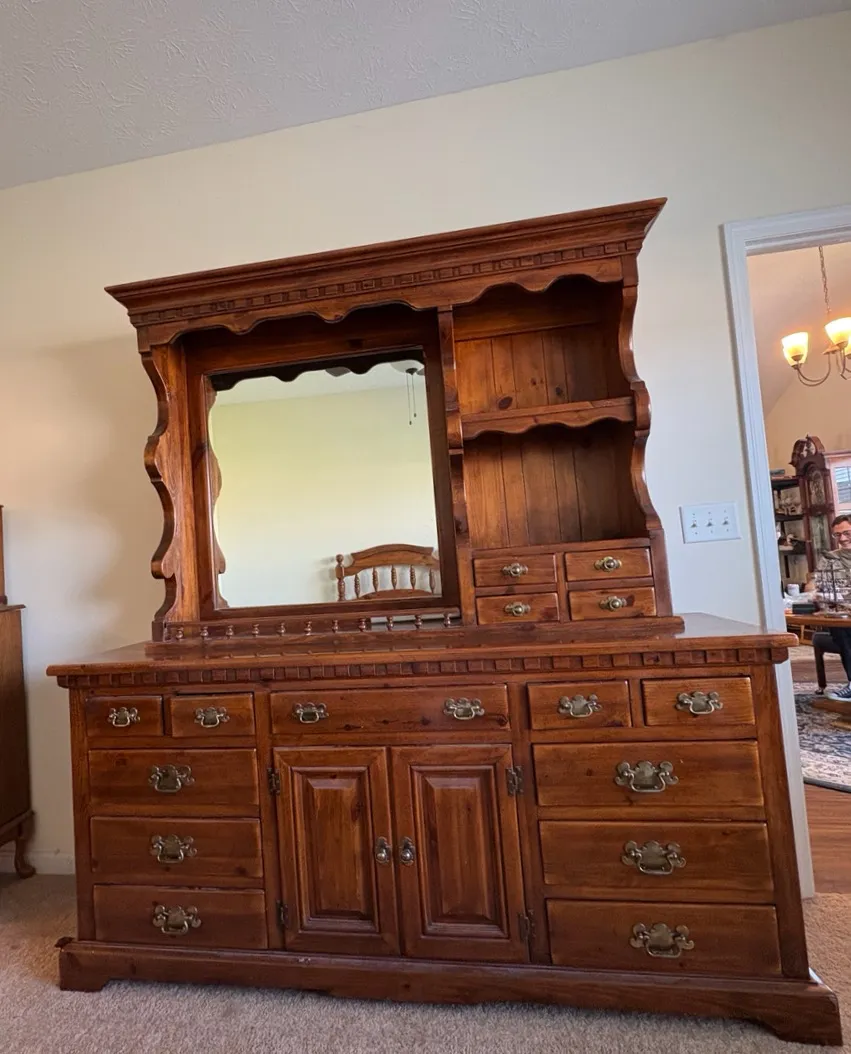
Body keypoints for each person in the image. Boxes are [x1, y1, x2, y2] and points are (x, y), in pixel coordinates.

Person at [805, 513, 851, 701]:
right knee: (841, 628)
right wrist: (814, 591)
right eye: (838, 535)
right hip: (842, 615)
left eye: (847, 533)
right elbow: (812, 585)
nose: (842, 539)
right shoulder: (830, 559)